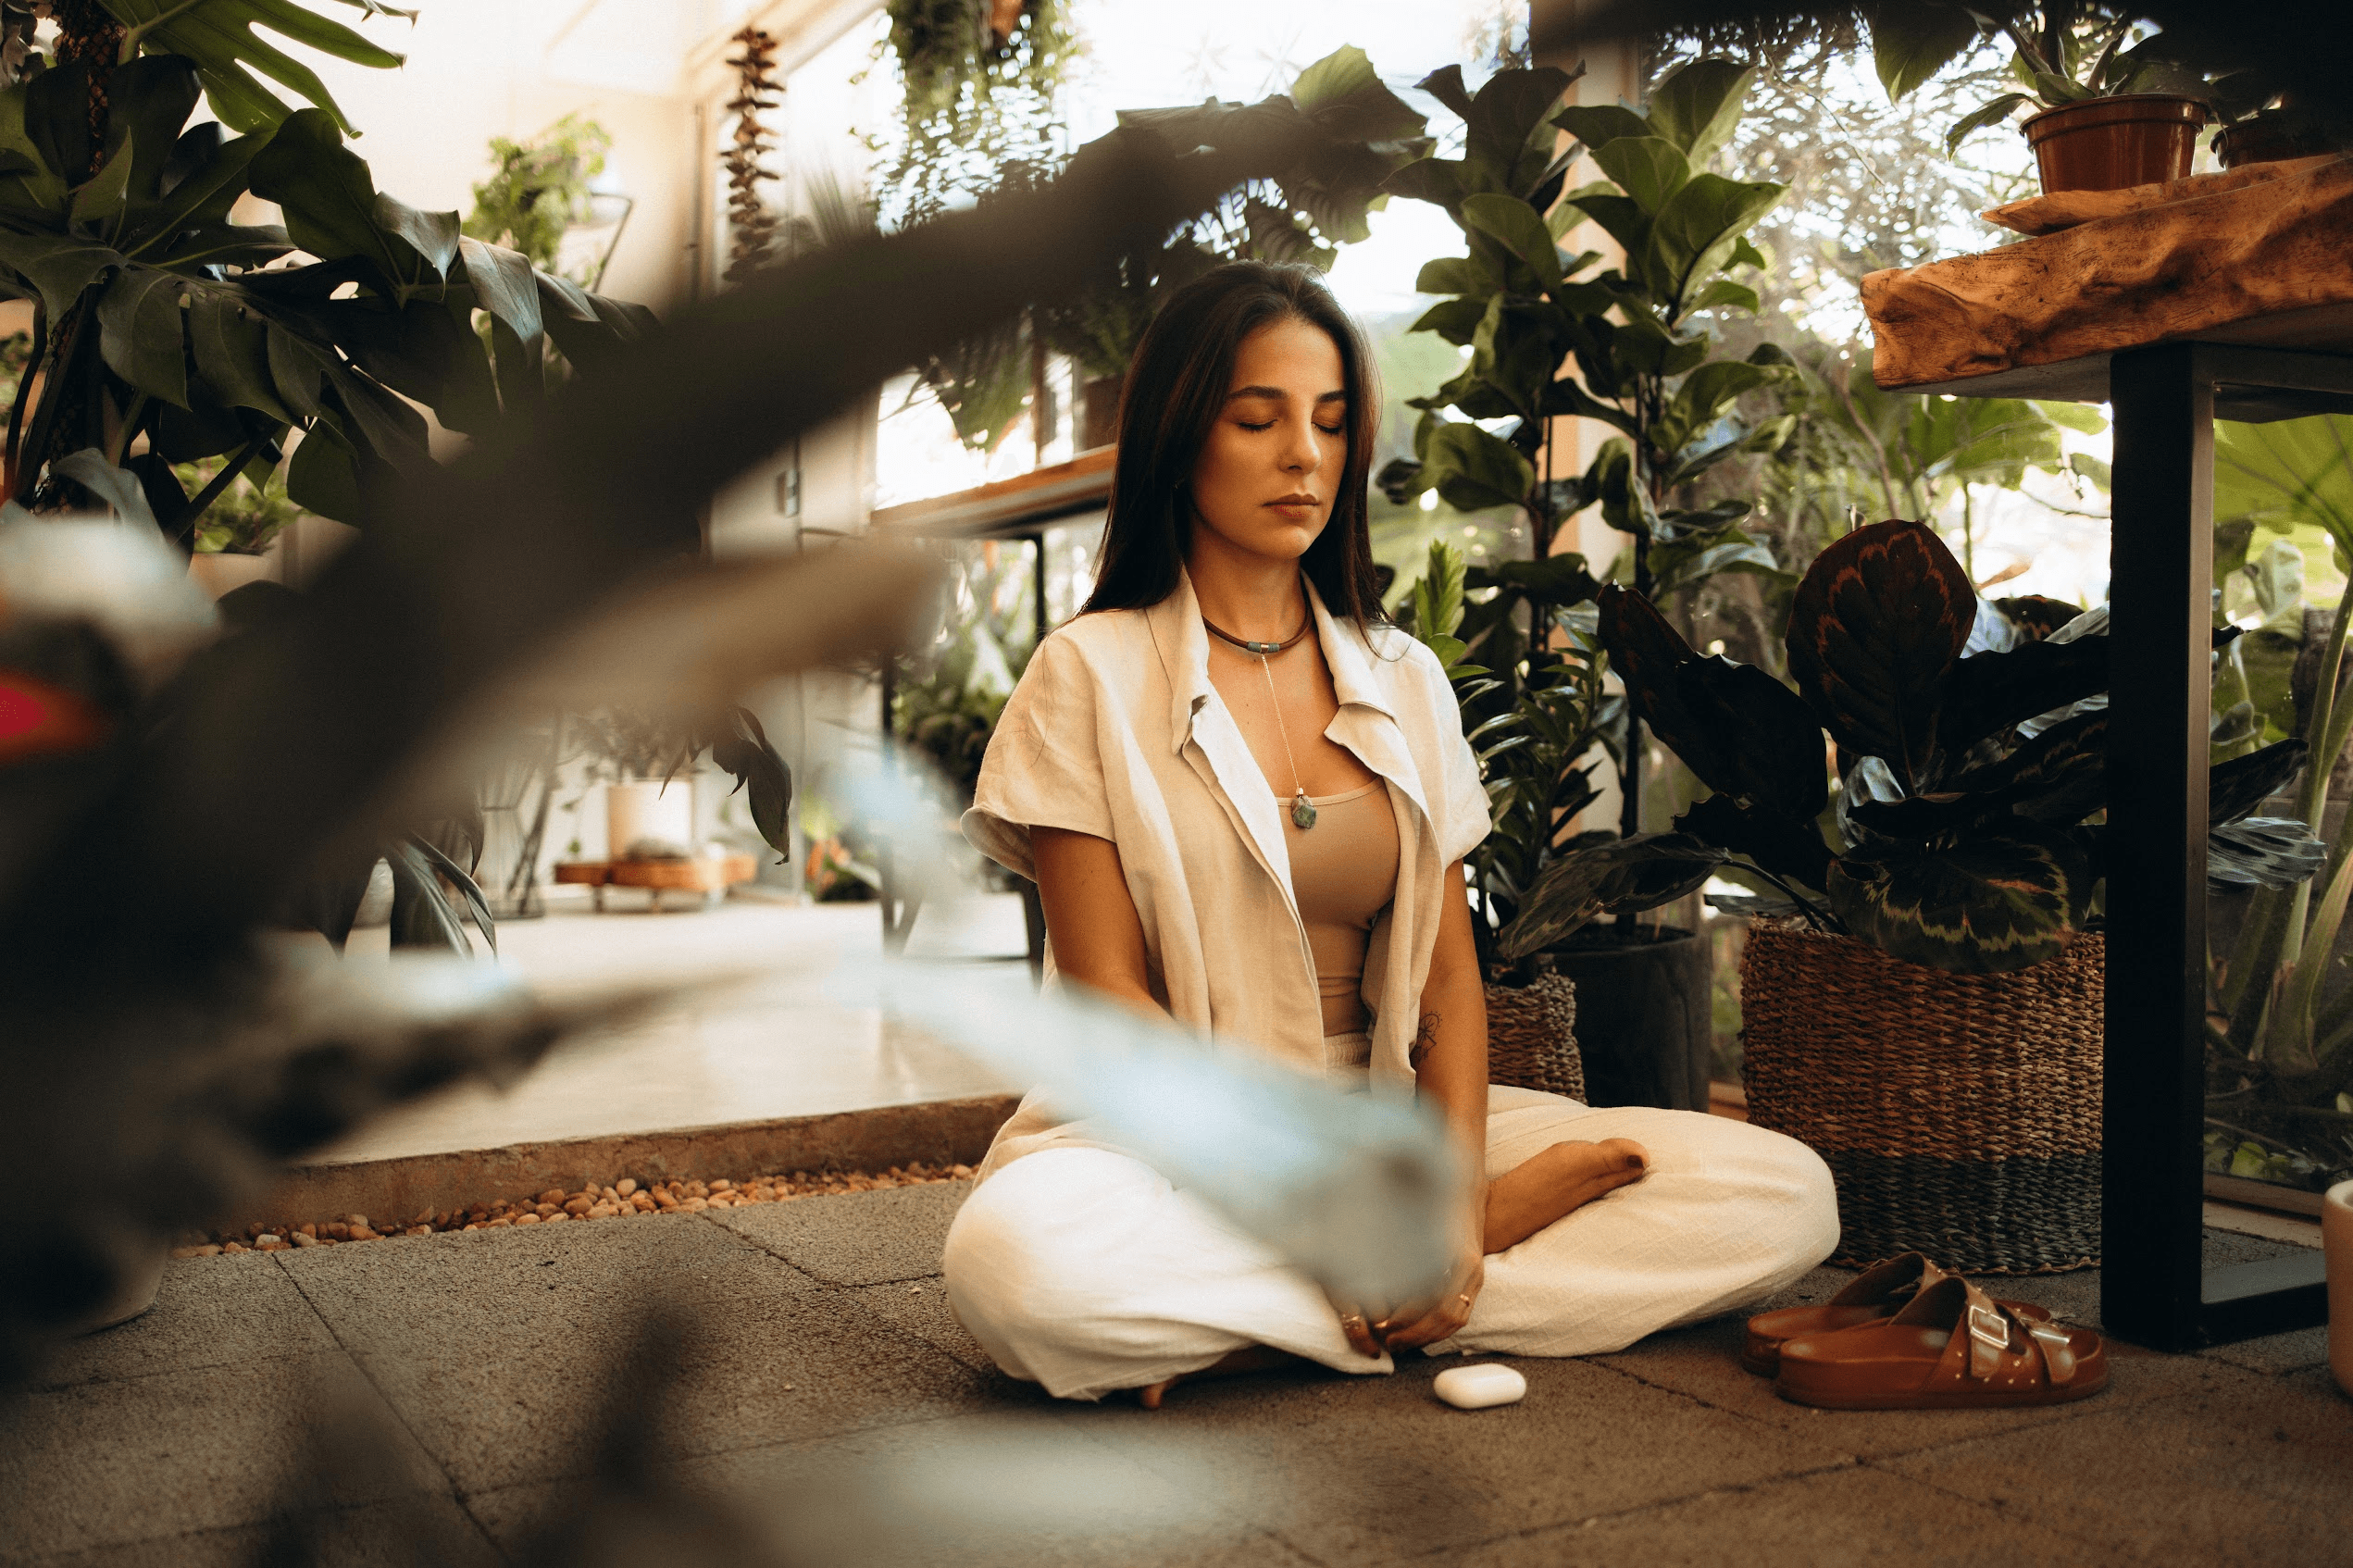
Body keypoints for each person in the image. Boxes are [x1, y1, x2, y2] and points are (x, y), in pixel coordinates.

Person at [944, 260, 1837, 1405]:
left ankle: (1288, 1313)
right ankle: (1395, 1298)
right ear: (1180, 436)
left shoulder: (1404, 677)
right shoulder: (1090, 672)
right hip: (1164, 1140)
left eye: (1328, 422)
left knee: (1786, 1191)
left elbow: (1451, 987)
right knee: (1016, 1270)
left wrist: (1457, 1199)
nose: (1303, 455)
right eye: (1256, 418)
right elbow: (1107, 1002)